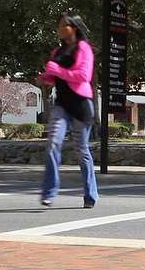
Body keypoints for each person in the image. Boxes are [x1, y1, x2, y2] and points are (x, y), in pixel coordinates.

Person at [35, 13, 98, 209]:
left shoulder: (84, 49)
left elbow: (83, 76)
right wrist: (46, 78)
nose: (59, 29)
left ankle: (90, 195)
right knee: (53, 144)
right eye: (59, 25)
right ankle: (48, 193)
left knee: (82, 151)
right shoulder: (57, 52)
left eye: (64, 25)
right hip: (61, 105)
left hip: (80, 105)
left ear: (74, 28)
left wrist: (56, 70)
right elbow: (58, 78)